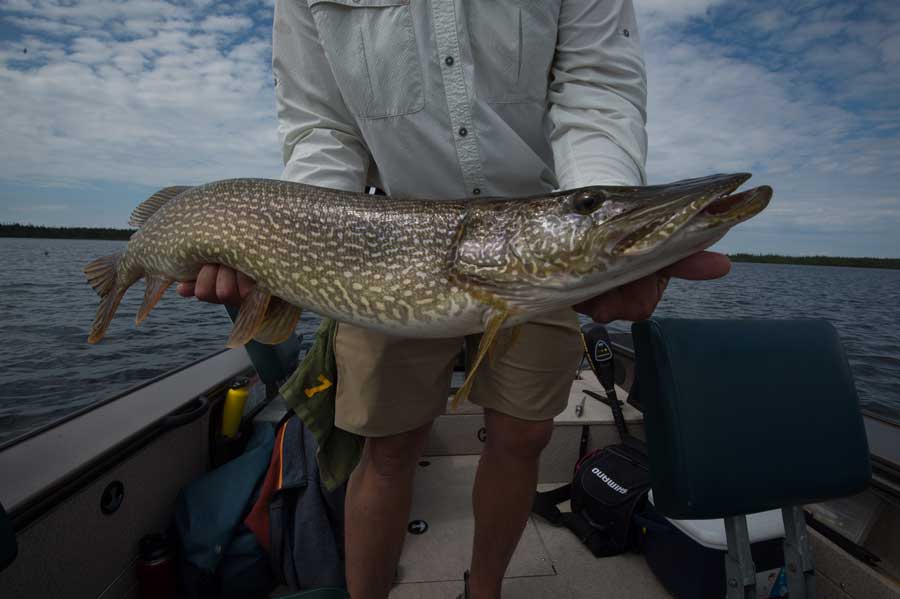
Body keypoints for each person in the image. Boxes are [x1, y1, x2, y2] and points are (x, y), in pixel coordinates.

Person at [179, 1, 731, 597]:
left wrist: (596, 217)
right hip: (383, 239)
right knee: (386, 449)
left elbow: (594, 83)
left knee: (523, 438)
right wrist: (299, 240)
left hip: (534, 227)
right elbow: (323, 126)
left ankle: (483, 589)